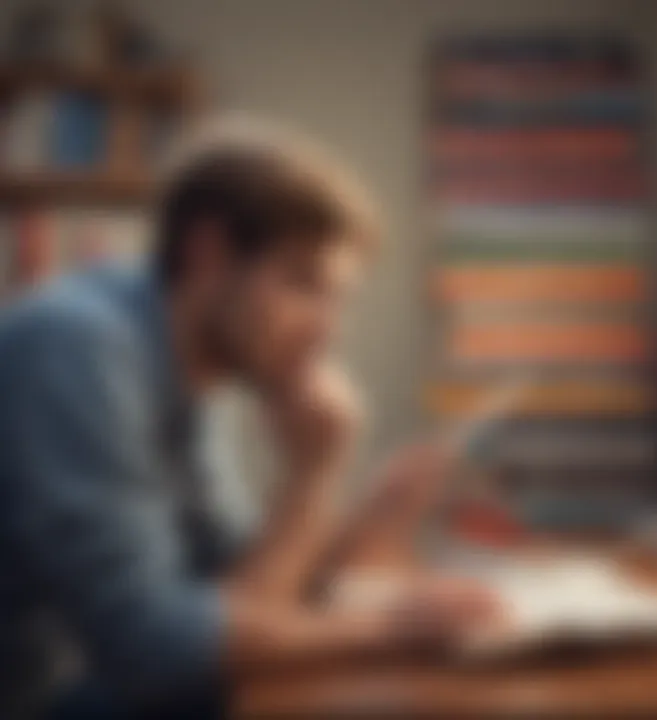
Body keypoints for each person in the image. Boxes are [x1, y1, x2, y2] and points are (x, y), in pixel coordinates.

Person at [0, 122, 494, 719]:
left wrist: (328, 479)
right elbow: (155, 651)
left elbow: (242, 594)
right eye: (302, 282)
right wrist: (393, 626)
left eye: (339, 297)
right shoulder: (80, 346)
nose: (326, 330)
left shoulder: (194, 371)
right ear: (208, 252)